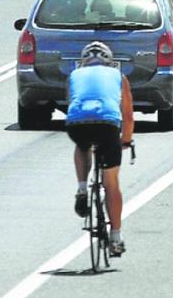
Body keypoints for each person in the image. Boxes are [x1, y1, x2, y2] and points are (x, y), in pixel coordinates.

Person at [66, 41, 134, 256]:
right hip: (107, 125)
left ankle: (82, 187)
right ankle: (115, 237)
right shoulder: (118, 77)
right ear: (110, 62)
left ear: (83, 62)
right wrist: (125, 140)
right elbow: (128, 115)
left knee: (82, 145)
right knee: (111, 183)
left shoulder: (74, 75)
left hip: (77, 123)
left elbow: (71, 102)